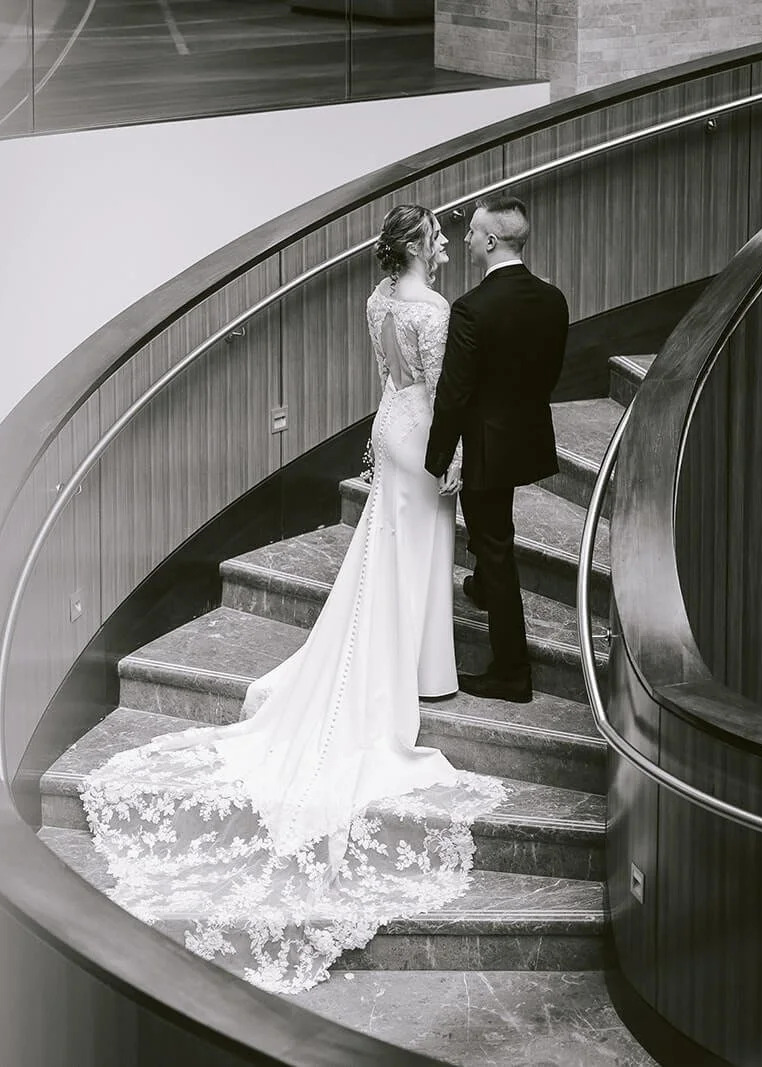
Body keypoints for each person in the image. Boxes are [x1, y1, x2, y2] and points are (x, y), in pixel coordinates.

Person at [79, 205, 507, 995]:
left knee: (390, 553)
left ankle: (402, 658)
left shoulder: (378, 301)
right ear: (417, 245)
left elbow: (391, 377)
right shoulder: (433, 308)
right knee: (419, 552)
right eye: (440, 237)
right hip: (420, 439)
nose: (448, 245)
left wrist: (390, 439)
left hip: (388, 428)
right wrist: (449, 461)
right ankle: (415, 669)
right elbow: (443, 391)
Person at [425, 194, 570, 704]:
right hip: (524, 435)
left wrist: (438, 457)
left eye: (471, 232)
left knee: (494, 543)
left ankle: (512, 671)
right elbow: (550, 373)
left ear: (490, 241)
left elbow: (455, 393)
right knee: (494, 528)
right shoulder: (553, 299)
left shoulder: (472, 308)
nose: (464, 239)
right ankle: (483, 587)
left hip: (485, 444)